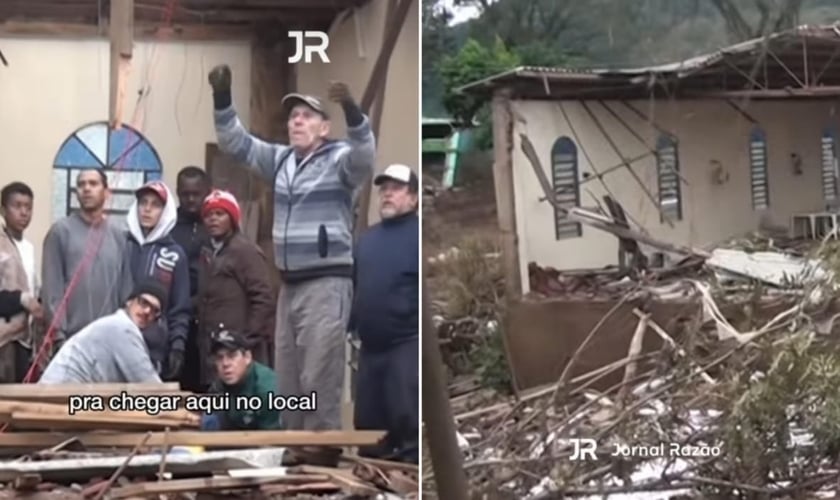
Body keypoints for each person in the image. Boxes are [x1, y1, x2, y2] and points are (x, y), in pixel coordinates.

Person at [207, 64, 376, 430]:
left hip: (326, 284)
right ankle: (297, 449)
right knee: (290, 377)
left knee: (320, 375)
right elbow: (235, 143)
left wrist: (351, 109)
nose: (296, 122)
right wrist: (222, 97)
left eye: (307, 116)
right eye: (293, 116)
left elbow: (365, 155)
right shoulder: (281, 160)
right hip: (290, 284)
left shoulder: (339, 160)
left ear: (324, 128)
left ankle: (321, 456)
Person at [350, 164, 420, 464]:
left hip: (405, 343)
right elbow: (356, 286)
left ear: (414, 199)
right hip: (369, 348)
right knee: (368, 423)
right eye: (384, 188)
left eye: (397, 188)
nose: (388, 193)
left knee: (405, 418)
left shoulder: (418, 235)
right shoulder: (367, 240)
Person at [41, 169, 134, 348]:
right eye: (81, 184)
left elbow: (125, 293)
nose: (86, 189)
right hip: (71, 341)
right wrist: (59, 336)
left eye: (93, 184)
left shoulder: (117, 237)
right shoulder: (60, 232)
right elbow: (52, 290)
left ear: (106, 192)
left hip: (110, 340)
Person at [196, 190, 275, 390]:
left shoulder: (244, 251)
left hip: (240, 353)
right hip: (215, 350)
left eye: (220, 214)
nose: (213, 219)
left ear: (232, 218)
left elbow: (263, 298)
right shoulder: (209, 252)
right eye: (208, 215)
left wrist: (246, 340)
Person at [39, 280, 166, 384]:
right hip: (59, 397)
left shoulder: (119, 326)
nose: (147, 311)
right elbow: (149, 385)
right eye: (143, 303)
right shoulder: (122, 329)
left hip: (66, 396)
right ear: (129, 302)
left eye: (154, 311)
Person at [126, 181, 191, 379]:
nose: (147, 209)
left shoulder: (174, 254)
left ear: (166, 211)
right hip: (118, 339)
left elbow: (181, 307)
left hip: (154, 349)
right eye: (143, 202)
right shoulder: (122, 245)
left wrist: (177, 346)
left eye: (155, 205)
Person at [170, 166, 211, 392]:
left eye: (197, 194)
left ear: (207, 191)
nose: (191, 199)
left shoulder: (217, 224)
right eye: (186, 194)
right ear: (178, 193)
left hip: (208, 318)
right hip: (176, 317)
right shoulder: (168, 225)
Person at [200, 327, 282, 431]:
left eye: (232, 356)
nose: (225, 364)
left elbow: (273, 441)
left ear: (247, 357)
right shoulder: (218, 386)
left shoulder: (267, 390)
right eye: (220, 358)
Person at [0, 182, 41, 382]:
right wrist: (22, 299)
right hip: (4, 339)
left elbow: (34, 288)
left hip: (25, 339)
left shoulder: (29, 248)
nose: (24, 212)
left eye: (28, 207)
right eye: (17, 206)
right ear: (3, 209)